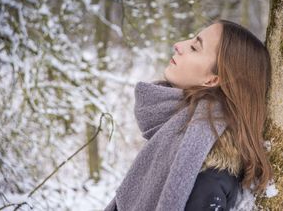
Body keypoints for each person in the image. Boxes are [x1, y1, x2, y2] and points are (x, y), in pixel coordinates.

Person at [104, 19, 272, 211]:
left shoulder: (208, 175)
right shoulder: (177, 135)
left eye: (194, 47)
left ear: (213, 79)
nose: (178, 45)